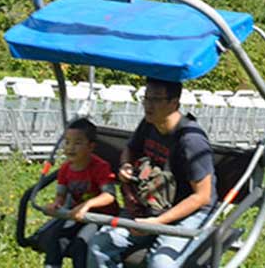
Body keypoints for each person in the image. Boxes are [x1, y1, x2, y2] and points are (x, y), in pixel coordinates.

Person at [88, 78, 216, 268]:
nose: (148, 105)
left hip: (189, 213)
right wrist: (125, 165)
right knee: (100, 245)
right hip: (151, 205)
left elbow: (202, 197)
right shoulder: (150, 124)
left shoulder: (191, 141)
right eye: (146, 98)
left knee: (160, 263)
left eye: (155, 99)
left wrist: (157, 222)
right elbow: (130, 148)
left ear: (174, 103)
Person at [39, 118, 117, 268]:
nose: (70, 148)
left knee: (80, 244)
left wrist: (87, 205)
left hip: (98, 216)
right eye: (67, 142)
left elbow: (109, 196)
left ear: (91, 146)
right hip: (76, 213)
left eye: (77, 143)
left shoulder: (100, 167)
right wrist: (56, 204)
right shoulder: (65, 169)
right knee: (56, 238)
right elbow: (61, 195)